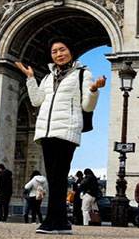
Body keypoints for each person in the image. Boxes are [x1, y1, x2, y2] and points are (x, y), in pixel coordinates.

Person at [14, 38, 106, 234]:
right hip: (46, 132)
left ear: (71, 51)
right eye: (54, 51)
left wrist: (94, 90)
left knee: (58, 178)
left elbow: (87, 106)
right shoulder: (47, 77)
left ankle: (51, 221)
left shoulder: (83, 74)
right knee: (55, 177)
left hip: (66, 131)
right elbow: (37, 101)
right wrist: (31, 78)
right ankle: (62, 222)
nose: (58, 54)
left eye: (62, 49)